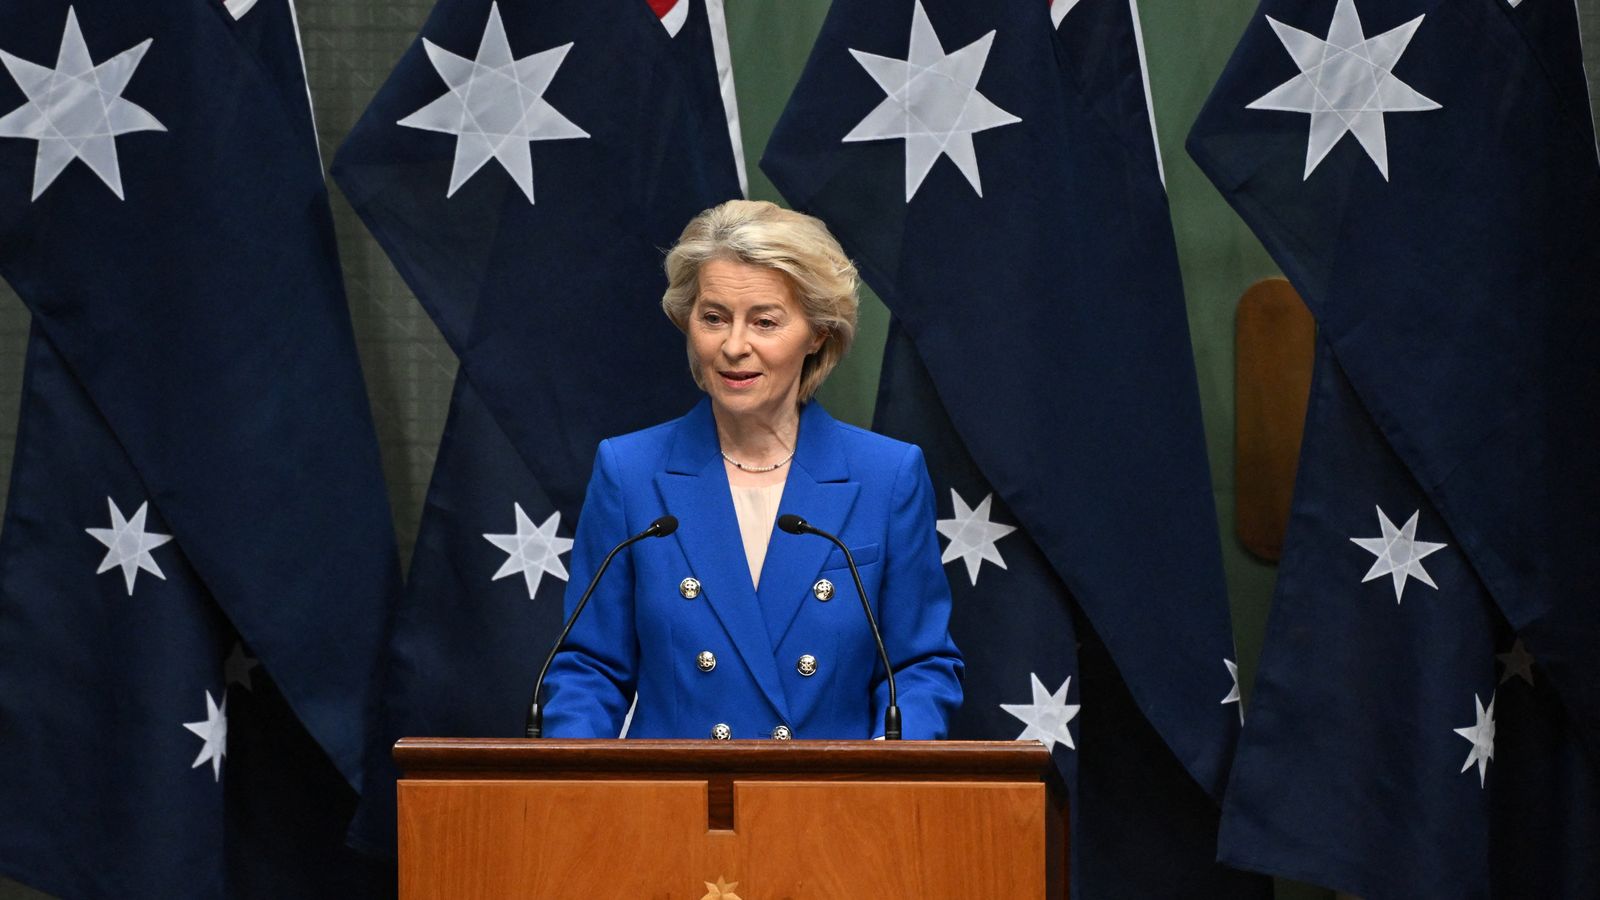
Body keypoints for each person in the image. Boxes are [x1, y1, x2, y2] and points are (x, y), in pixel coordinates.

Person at [542, 199, 963, 741]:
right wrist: (581, 791)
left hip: (834, 809)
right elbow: (589, 669)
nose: (734, 347)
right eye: (713, 318)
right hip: (672, 810)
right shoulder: (629, 471)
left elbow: (918, 667)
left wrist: (886, 771)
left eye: (764, 322)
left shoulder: (887, 476)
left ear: (816, 334)